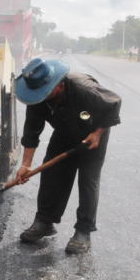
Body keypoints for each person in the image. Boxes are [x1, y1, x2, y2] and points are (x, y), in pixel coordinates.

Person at [15, 58, 121, 254]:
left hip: (92, 134)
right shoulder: (37, 98)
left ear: (59, 85)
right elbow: (31, 132)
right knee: (51, 173)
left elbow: (113, 104)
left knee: (88, 180)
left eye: (45, 93)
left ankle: (83, 231)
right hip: (64, 132)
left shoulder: (83, 89)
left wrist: (97, 133)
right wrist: (26, 164)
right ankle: (44, 222)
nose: (42, 97)